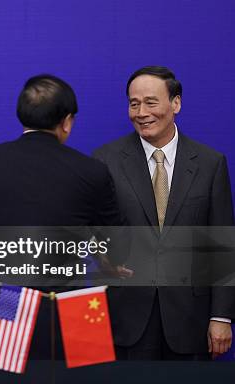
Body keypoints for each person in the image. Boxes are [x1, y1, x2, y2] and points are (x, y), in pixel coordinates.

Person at [0, 74, 123, 358]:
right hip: (78, 311)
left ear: (22, 116)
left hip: (1, 308)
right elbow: (114, 244)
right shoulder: (92, 172)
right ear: (67, 121)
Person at [93, 66, 235, 360]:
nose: (141, 112)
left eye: (150, 102)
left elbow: (221, 245)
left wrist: (221, 316)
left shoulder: (210, 164)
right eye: (134, 104)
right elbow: (92, 233)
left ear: (176, 103)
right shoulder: (105, 161)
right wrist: (102, 259)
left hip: (189, 318)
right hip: (128, 317)